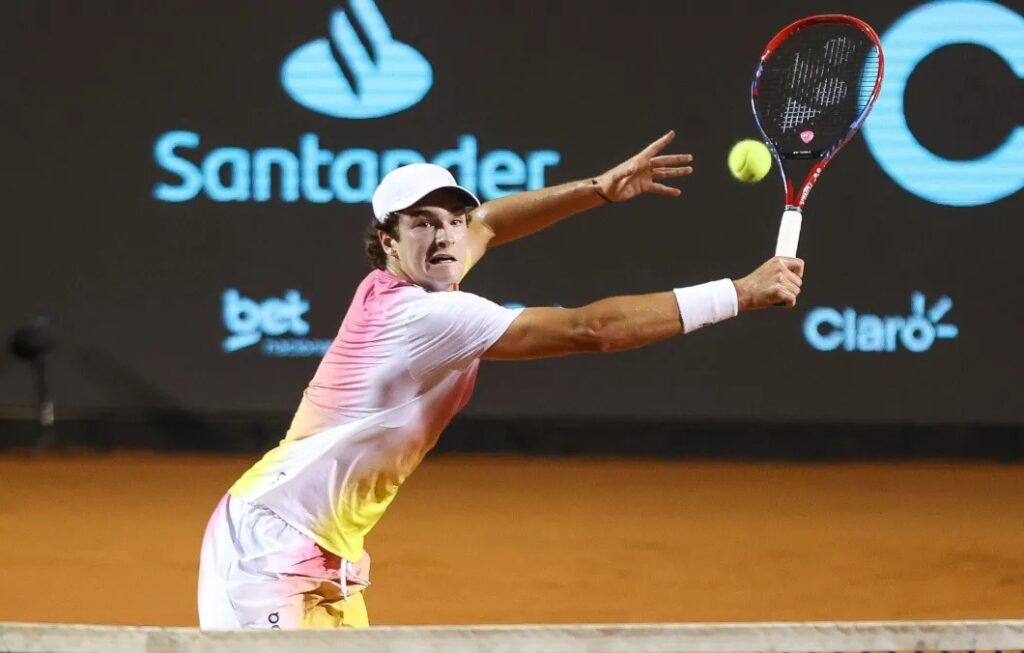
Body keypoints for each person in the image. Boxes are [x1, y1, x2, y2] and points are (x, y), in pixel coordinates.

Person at [197, 131, 805, 630]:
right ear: (388, 240)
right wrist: (739, 294)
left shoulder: (419, 275)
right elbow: (589, 329)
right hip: (264, 550)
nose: (446, 236)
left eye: (452, 221)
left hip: (329, 548)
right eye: (423, 224)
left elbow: (489, 223)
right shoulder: (421, 316)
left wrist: (599, 189)